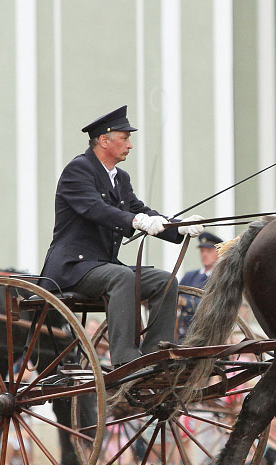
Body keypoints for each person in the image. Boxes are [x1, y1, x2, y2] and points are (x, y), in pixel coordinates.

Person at [39, 105, 204, 366]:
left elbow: (139, 209)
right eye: (125, 138)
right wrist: (136, 221)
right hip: (73, 268)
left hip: (102, 267)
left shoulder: (120, 178)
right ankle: (126, 359)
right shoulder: (78, 170)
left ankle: (154, 356)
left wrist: (177, 226)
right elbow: (95, 209)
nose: (130, 145)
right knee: (123, 277)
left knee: (164, 281)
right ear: (104, 141)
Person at [177, 231, 222, 342]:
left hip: (209, 337)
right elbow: (174, 295)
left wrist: (184, 302)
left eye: (209, 251)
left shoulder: (221, 279)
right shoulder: (190, 276)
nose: (204, 254)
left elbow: (215, 306)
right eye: (202, 251)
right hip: (183, 335)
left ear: (218, 252)